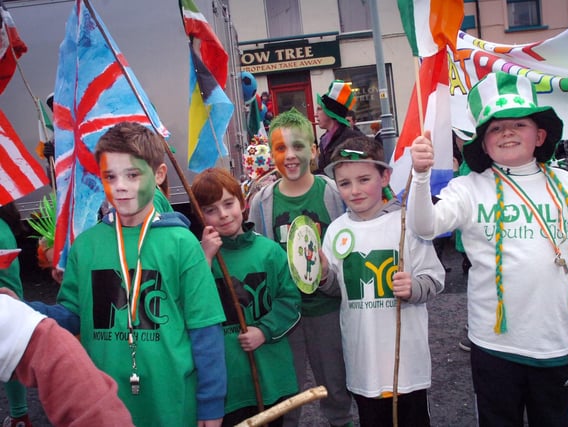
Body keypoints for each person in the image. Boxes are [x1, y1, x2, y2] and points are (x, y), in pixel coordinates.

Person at [408, 71, 568, 426]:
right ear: (483, 143)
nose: (506, 132)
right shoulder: (469, 188)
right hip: (495, 347)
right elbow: (424, 225)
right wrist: (419, 177)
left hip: (556, 341)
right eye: (494, 127)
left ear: (539, 135)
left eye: (518, 124)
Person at [19, 122, 228, 426]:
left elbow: (205, 329)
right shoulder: (87, 247)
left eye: (132, 174)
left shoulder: (183, 244)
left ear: (158, 175)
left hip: (171, 403)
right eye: (110, 176)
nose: (120, 186)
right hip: (104, 402)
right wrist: (22, 311)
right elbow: (73, 315)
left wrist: (210, 403)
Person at [320, 137, 445, 427]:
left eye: (364, 179)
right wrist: (324, 274)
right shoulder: (336, 231)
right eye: (345, 183)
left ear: (385, 176)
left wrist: (414, 287)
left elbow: (435, 277)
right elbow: (339, 290)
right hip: (363, 365)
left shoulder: (407, 222)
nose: (355, 190)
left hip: (407, 368)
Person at [248, 109, 354, 427]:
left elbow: (349, 251)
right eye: (281, 148)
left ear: (314, 149)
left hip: (327, 310)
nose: (290, 155)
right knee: (286, 394)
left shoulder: (333, 194)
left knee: (336, 387)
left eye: (298, 146)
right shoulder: (262, 203)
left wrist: (327, 277)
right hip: (285, 317)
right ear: (272, 153)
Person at [192, 167, 301, 426]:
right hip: (228, 382)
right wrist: (205, 258)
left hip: (269, 377)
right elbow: (192, 305)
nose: (223, 215)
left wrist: (264, 330)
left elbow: (290, 301)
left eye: (228, 203)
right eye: (210, 210)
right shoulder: (197, 257)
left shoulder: (269, 251)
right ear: (200, 216)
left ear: (242, 204)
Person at [0, 295, 134, 426]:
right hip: (108, 389)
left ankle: (19, 416)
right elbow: (73, 312)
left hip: (148, 401)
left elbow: (48, 340)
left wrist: (21, 315)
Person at [0, 204, 31, 427]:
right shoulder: (3, 225)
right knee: (9, 360)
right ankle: (19, 416)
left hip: (5, 303)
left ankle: (20, 416)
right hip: (10, 303)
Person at [315, 80, 361, 173]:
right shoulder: (324, 139)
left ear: (330, 113)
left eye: (319, 109)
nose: (315, 115)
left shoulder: (352, 139)